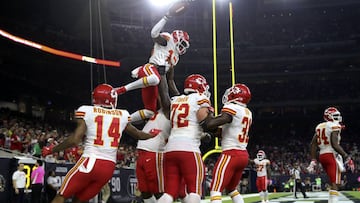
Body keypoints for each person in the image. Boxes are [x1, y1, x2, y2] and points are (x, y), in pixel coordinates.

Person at [43, 84, 159, 203]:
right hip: (108, 168)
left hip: (90, 162)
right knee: (79, 200)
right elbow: (138, 134)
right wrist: (151, 134)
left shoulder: (87, 110)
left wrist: (51, 150)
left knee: (61, 196)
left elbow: (75, 140)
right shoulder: (122, 115)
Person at [115, 5, 190, 122]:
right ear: (176, 38)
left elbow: (170, 80)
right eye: (182, 43)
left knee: (150, 111)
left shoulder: (175, 59)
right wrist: (166, 17)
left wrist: (181, 97)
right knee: (155, 78)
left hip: (158, 75)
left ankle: (123, 121)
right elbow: (154, 34)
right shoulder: (167, 40)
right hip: (150, 68)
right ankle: (121, 90)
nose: (182, 47)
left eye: (184, 45)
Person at [157, 74, 212, 203]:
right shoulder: (201, 98)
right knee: (194, 190)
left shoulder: (176, 100)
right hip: (189, 148)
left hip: (170, 149)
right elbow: (205, 122)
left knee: (169, 193)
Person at [199, 83, 252, 203]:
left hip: (231, 154)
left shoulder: (233, 108)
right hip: (243, 154)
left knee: (215, 189)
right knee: (232, 189)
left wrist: (209, 114)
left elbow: (211, 124)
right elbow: (221, 131)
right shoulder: (247, 112)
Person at [307, 107, 351, 203]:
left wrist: (313, 159)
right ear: (329, 117)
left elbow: (313, 144)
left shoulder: (320, 126)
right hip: (331, 154)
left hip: (322, 155)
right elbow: (335, 145)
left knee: (333, 182)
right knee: (335, 184)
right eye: (335, 116)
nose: (338, 118)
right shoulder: (334, 126)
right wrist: (346, 156)